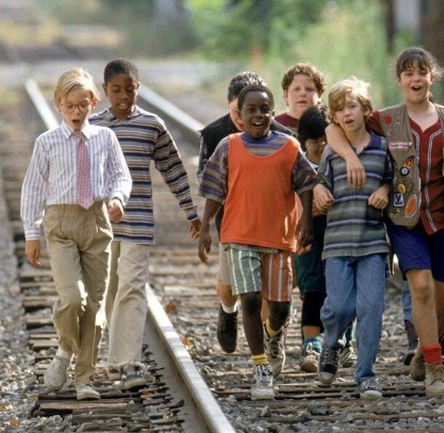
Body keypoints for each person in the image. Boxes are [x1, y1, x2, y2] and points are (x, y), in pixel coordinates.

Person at [324, 47, 444, 397]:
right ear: (399, 80)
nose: (416, 79)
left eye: (422, 72)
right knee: (420, 287)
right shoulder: (385, 120)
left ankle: (424, 348)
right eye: (409, 73)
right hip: (406, 220)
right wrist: (349, 158)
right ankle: (436, 368)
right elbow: (335, 127)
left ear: (432, 77)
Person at [198, 83, 316, 400]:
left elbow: (306, 181)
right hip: (239, 236)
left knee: (278, 308)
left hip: (278, 238)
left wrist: (306, 219)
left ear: (272, 112)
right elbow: (214, 188)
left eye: (264, 109)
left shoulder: (289, 146)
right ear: (240, 114)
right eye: (251, 110)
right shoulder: (228, 145)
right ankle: (260, 367)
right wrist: (206, 225)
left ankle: (273, 335)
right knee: (249, 300)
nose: (258, 115)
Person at [89, 58, 201, 390]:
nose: (124, 96)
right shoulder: (93, 126)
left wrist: (190, 212)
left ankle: (127, 362)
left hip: (137, 221)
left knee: (132, 287)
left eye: (130, 89)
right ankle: (114, 356)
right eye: (116, 90)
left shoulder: (151, 125)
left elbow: (174, 169)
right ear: (105, 90)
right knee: (108, 290)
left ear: (139, 88)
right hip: (100, 226)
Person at [21, 67, 132, 400]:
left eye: (82, 105)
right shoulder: (47, 142)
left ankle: (84, 378)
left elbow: (120, 176)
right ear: (58, 105)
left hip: (97, 222)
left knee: (95, 309)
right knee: (73, 299)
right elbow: (33, 188)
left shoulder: (105, 138)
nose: (76, 112)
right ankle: (65, 350)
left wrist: (116, 199)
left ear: (93, 103)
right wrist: (32, 232)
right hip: (61, 225)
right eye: (69, 106)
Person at [197, 72, 292, 354]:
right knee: (230, 288)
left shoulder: (284, 139)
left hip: (273, 227)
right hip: (234, 224)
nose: (251, 116)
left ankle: (267, 345)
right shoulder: (216, 135)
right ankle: (227, 310)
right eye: (243, 110)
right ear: (233, 106)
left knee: (264, 295)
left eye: (261, 109)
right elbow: (207, 178)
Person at [313, 78, 393, 399]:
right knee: (339, 309)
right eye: (338, 109)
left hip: (373, 242)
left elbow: (392, 181)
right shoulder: (332, 153)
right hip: (337, 243)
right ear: (333, 117)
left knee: (371, 308)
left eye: (352, 106)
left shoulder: (382, 148)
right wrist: (319, 190)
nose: (346, 113)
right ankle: (331, 345)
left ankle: (366, 374)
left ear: (365, 110)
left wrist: (385, 191)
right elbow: (320, 182)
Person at [294, 105, 329, 372]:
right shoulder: (298, 164)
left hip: (336, 233)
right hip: (306, 236)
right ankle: (311, 343)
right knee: (312, 288)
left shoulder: (338, 160)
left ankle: (343, 337)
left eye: (325, 138)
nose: (320, 144)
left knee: (339, 289)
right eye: (314, 140)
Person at [275, 62, 327, 131]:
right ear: (286, 95)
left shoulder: (328, 125)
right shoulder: (275, 125)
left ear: (319, 95)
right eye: (296, 89)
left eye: (309, 89)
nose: (303, 93)